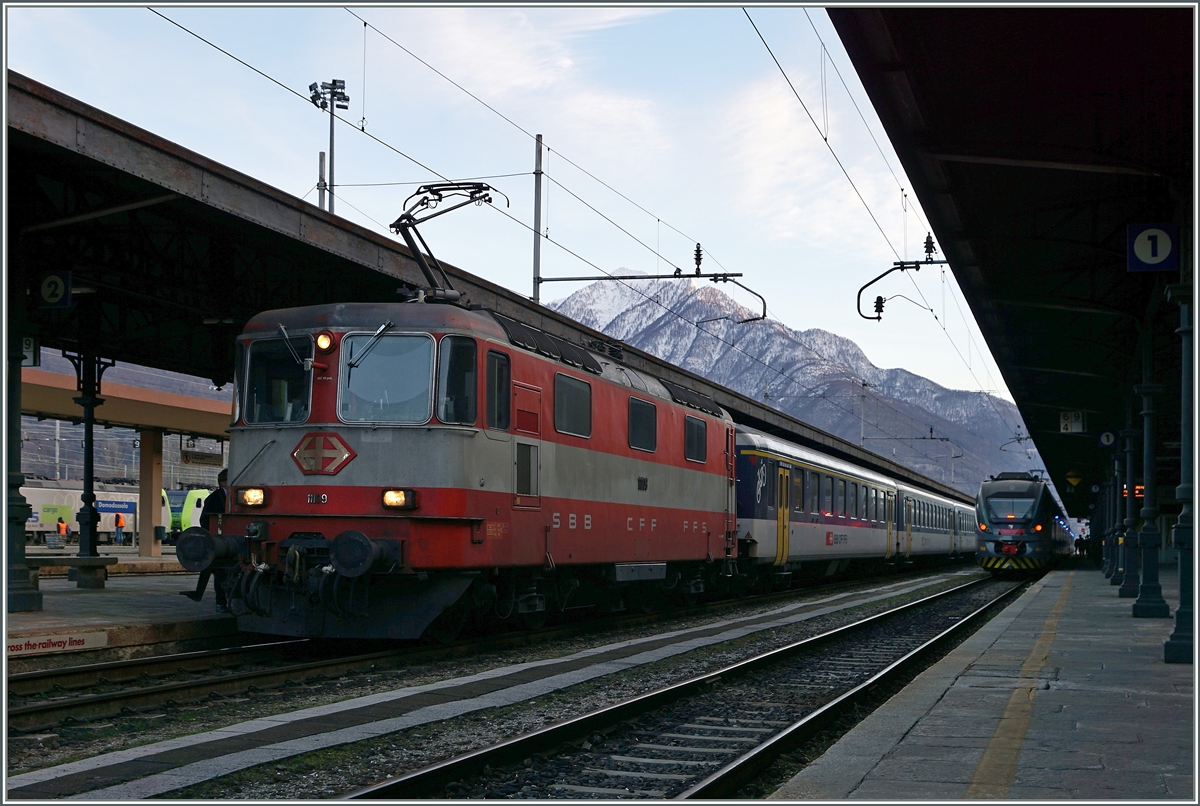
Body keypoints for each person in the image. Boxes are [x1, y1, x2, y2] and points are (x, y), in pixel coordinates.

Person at [198, 469, 230, 613]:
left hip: (229, 539)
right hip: (219, 539)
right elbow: (204, 520)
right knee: (220, 572)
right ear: (224, 482)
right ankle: (221, 602)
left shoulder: (233, 497)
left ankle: (225, 600)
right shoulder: (214, 498)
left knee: (223, 572)